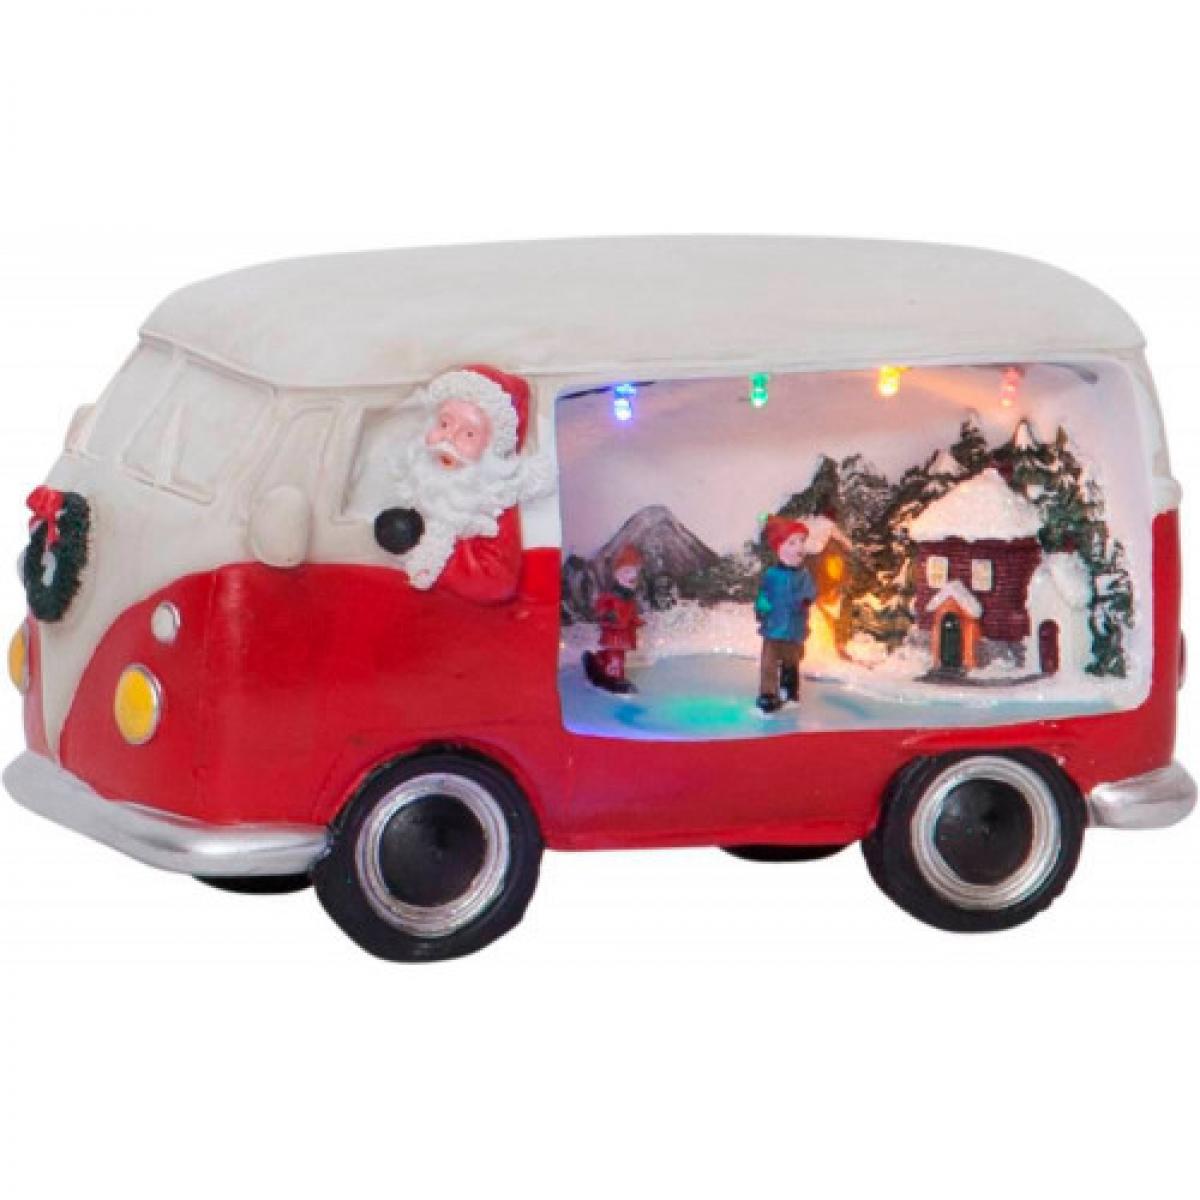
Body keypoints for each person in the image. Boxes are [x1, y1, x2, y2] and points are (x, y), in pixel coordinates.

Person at [374, 365, 553, 604]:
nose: (448, 438)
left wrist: (426, 552)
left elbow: (495, 582)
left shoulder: (490, 504)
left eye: (468, 434)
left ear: (489, 451)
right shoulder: (425, 480)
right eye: (444, 424)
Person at [755, 516, 817, 714]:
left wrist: (806, 600)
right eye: (792, 542)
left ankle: (789, 689)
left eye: (801, 541)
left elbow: (810, 591)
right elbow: (764, 593)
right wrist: (761, 606)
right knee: (768, 663)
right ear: (780, 548)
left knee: (791, 661)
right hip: (773, 628)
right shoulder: (772, 575)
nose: (799, 547)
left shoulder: (804, 575)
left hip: (794, 628)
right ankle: (768, 694)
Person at [582, 545, 645, 694]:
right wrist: (607, 615)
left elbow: (631, 615)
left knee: (618, 655)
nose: (632, 576)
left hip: (623, 635)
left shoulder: (629, 598)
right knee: (615, 657)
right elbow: (601, 610)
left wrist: (637, 621)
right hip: (613, 635)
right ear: (617, 574)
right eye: (627, 571)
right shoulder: (610, 597)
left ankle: (603, 669)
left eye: (634, 572)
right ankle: (614, 677)